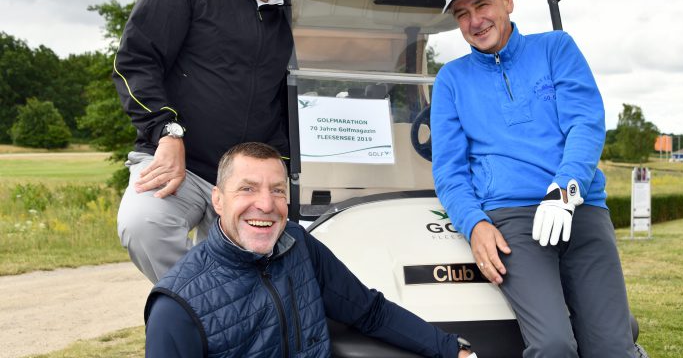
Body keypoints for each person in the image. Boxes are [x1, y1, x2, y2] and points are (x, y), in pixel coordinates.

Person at [112, 0, 322, 283]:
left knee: (255, 271)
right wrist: (167, 132)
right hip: (179, 162)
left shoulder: (291, 23)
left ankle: (214, 319)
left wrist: (286, 173)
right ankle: (196, 309)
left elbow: (287, 107)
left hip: (245, 180)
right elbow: (135, 61)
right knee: (143, 225)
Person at [431, 0, 635, 357]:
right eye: (461, 14)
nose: (474, 21)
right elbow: (449, 170)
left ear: (506, 0)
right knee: (554, 344)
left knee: (613, 347)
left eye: (481, 5)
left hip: (579, 207)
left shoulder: (556, 48)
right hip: (513, 220)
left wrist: (566, 189)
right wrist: (474, 224)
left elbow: (585, 123)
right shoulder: (452, 80)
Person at [144, 142, 476, 358]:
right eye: (247, 189)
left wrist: (452, 350)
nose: (265, 204)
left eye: (277, 190)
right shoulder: (176, 308)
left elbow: (368, 311)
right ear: (217, 199)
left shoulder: (297, 243)